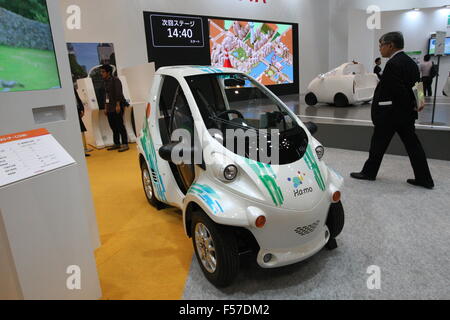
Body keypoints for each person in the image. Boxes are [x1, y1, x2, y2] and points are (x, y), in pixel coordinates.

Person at [350, 32, 434, 189]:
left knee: (378, 144)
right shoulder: (411, 63)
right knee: (413, 146)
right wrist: (419, 101)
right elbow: (417, 83)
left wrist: (406, 104)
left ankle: (369, 173)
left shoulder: (393, 64)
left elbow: (397, 91)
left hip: (391, 114)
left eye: (381, 45)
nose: (380, 49)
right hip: (406, 114)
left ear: (390, 45)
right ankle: (425, 179)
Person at [100, 64, 129, 152]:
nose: (101, 73)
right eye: (101, 72)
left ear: (108, 72)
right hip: (109, 107)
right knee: (113, 126)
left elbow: (118, 93)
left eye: (103, 72)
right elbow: (106, 96)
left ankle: (125, 144)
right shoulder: (105, 81)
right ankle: (116, 143)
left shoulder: (115, 80)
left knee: (120, 125)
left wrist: (118, 105)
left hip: (117, 106)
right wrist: (105, 107)